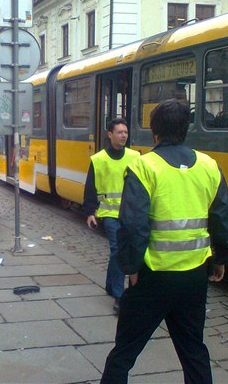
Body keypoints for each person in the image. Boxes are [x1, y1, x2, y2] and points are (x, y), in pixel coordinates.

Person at [101, 99, 228, 384]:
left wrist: (131, 267)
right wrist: (221, 258)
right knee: (193, 351)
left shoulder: (144, 167)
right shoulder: (209, 166)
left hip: (153, 278)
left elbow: (133, 226)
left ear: (154, 132)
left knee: (124, 352)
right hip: (193, 279)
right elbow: (222, 218)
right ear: (187, 128)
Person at [83, 118, 140, 313]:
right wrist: (90, 212)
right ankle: (119, 295)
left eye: (125, 132)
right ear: (110, 134)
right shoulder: (99, 159)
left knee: (119, 251)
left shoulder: (135, 157)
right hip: (109, 213)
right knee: (118, 250)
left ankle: (110, 284)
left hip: (130, 214)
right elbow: (90, 187)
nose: (124, 135)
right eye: (119, 132)